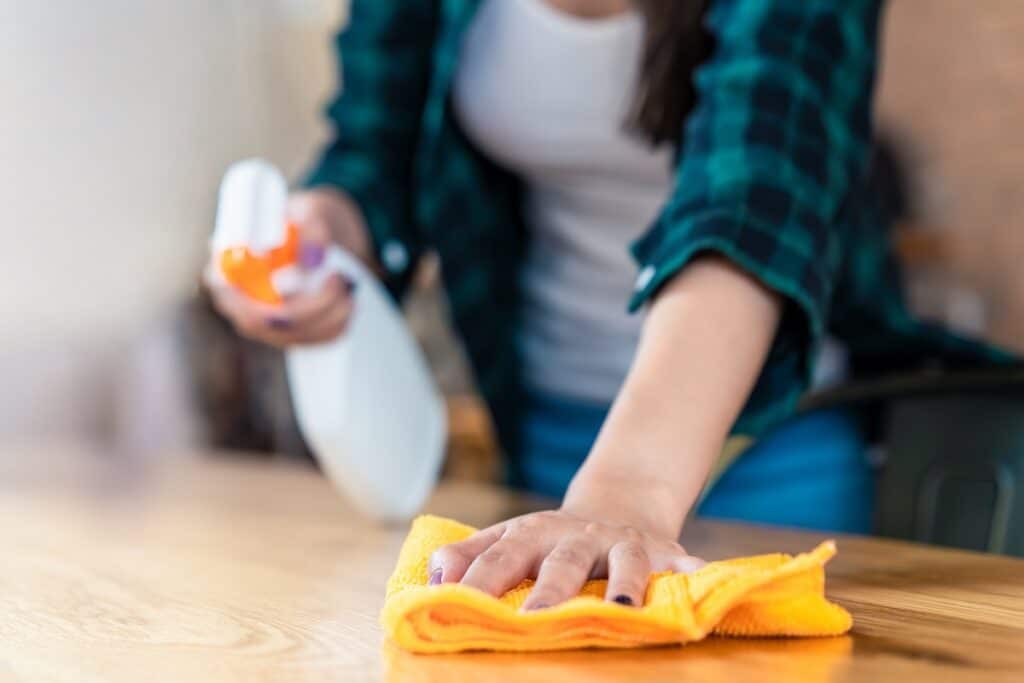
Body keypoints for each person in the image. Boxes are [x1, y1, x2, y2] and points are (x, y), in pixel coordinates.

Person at [206, 0, 1009, 610]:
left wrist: (625, 496)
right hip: (544, 439)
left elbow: (752, 201)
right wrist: (323, 234)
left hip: (774, 445)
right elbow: (372, 154)